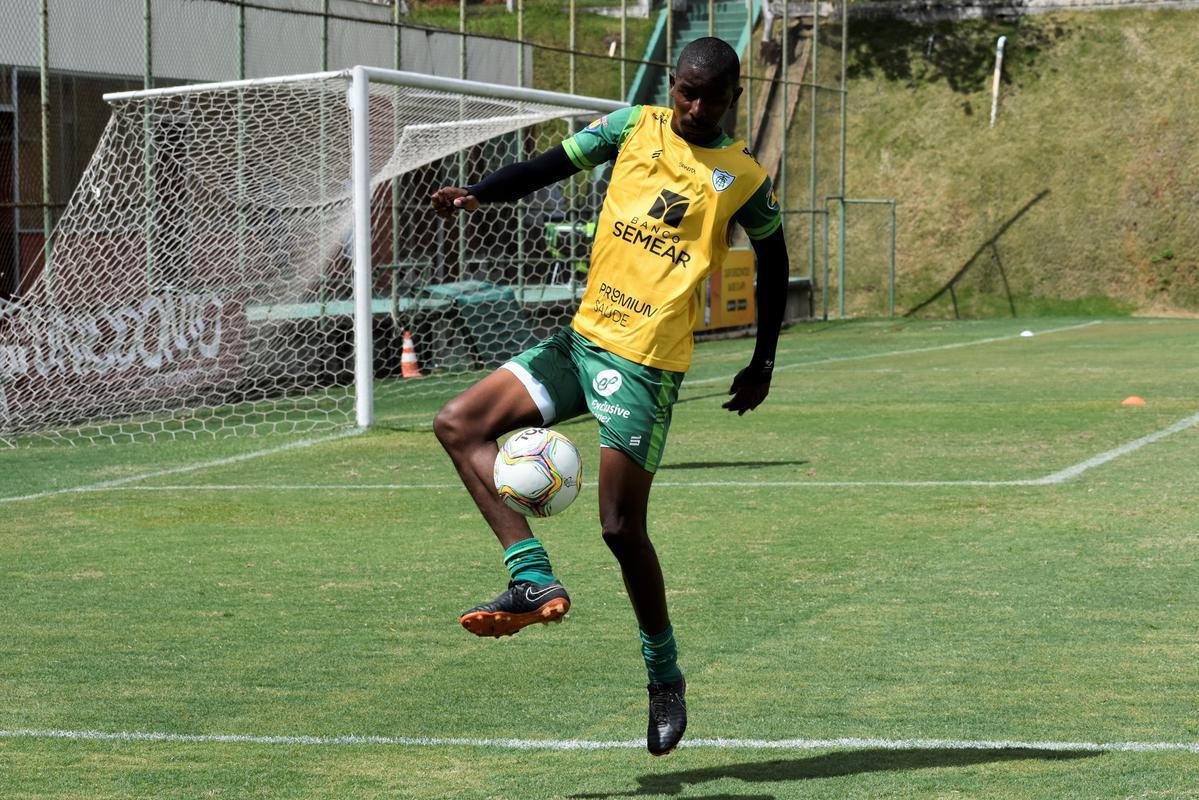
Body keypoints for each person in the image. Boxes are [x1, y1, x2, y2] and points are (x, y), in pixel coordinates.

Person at [430, 36, 789, 757]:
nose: (692, 106)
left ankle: (664, 677)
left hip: (647, 365)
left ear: (731, 98)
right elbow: (547, 167)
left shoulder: (742, 177)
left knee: (620, 531)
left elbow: (775, 261)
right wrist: (479, 192)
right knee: (458, 423)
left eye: (708, 97)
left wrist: (763, 360)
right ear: (671, 84)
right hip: (582, 338)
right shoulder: (633, 127)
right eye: (684, 91)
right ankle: (530, 581)